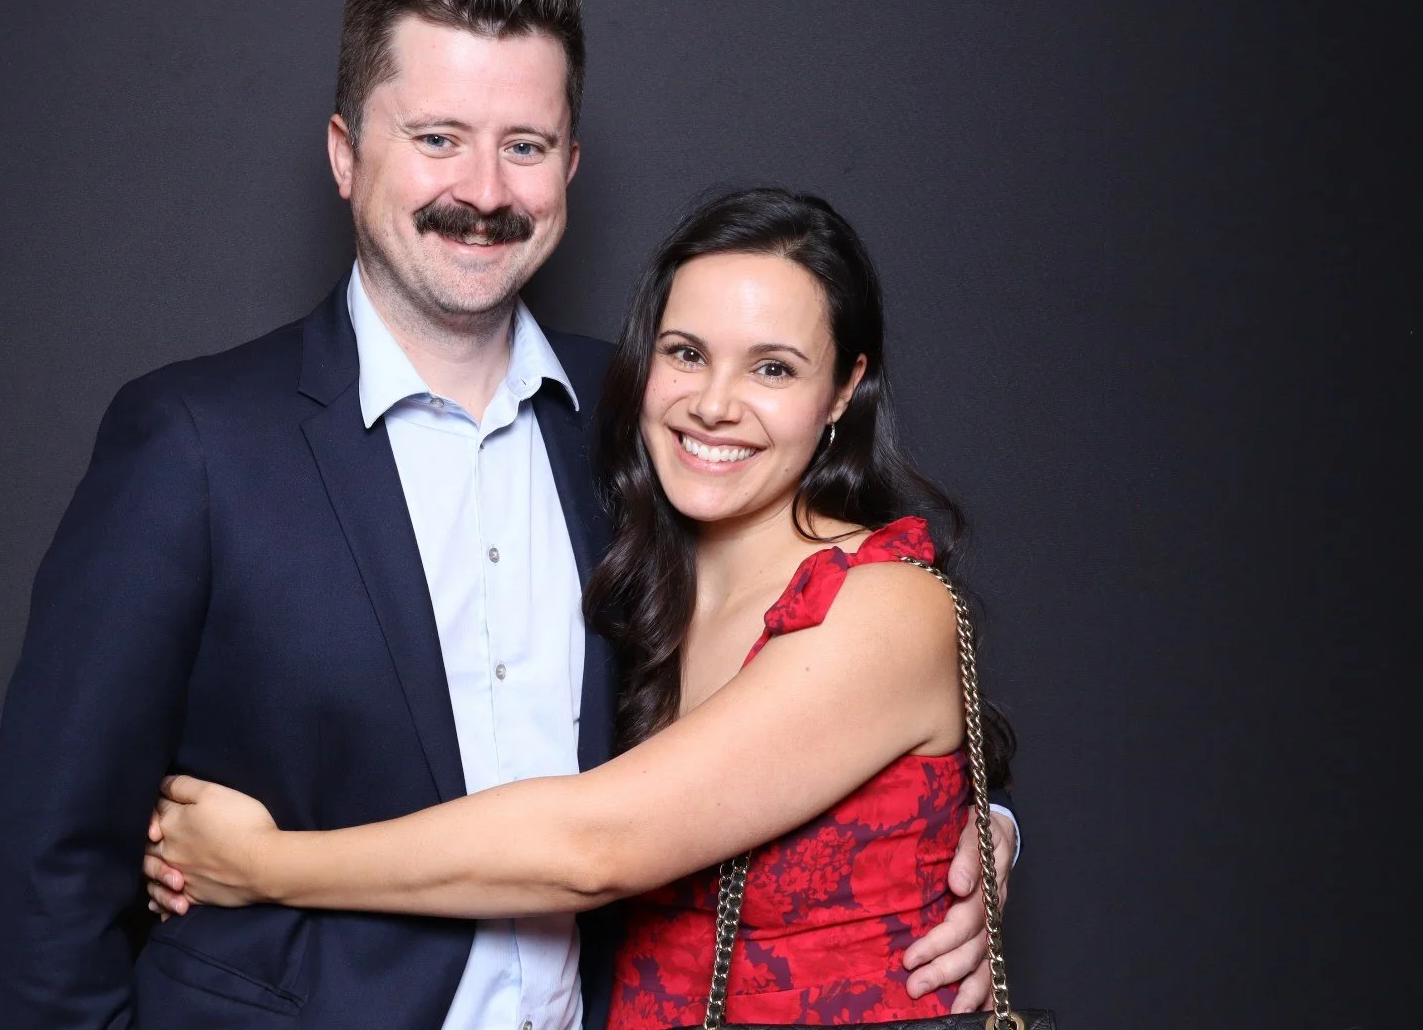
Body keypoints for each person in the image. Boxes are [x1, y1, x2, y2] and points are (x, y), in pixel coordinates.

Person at [0, 0, 1011, 1030]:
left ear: (570, 167)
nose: (482, 191)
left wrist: (968, 835)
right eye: (438, 139)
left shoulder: (647, 426)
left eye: (525, 146)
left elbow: (816, 663)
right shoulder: (192, 442)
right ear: (345, 154)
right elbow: (50, 859)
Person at [142, 187, 1018, 1026]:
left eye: (773, 369)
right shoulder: (636, 561)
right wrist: (991, 827)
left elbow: (599, 846)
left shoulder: (882, 601)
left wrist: (261, 865)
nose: (715, 404)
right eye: (686, 353)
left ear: (843, 389)